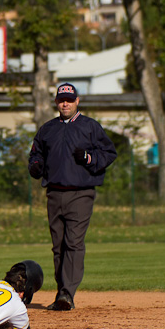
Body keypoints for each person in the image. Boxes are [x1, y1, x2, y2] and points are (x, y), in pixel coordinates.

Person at [28, 83, 117, 311]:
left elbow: (109, 153)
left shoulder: (90, 126)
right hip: (55, 193)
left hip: (81, 193)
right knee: (58, 247)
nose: (65, 103)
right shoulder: (47, 129)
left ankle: (67, 294)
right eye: (61, 100)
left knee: (73, 243)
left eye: (69, 99)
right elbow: (35, 154)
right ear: (56, 102)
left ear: (77, 101)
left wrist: (89, 157)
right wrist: (36, 166)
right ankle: (62, 293)